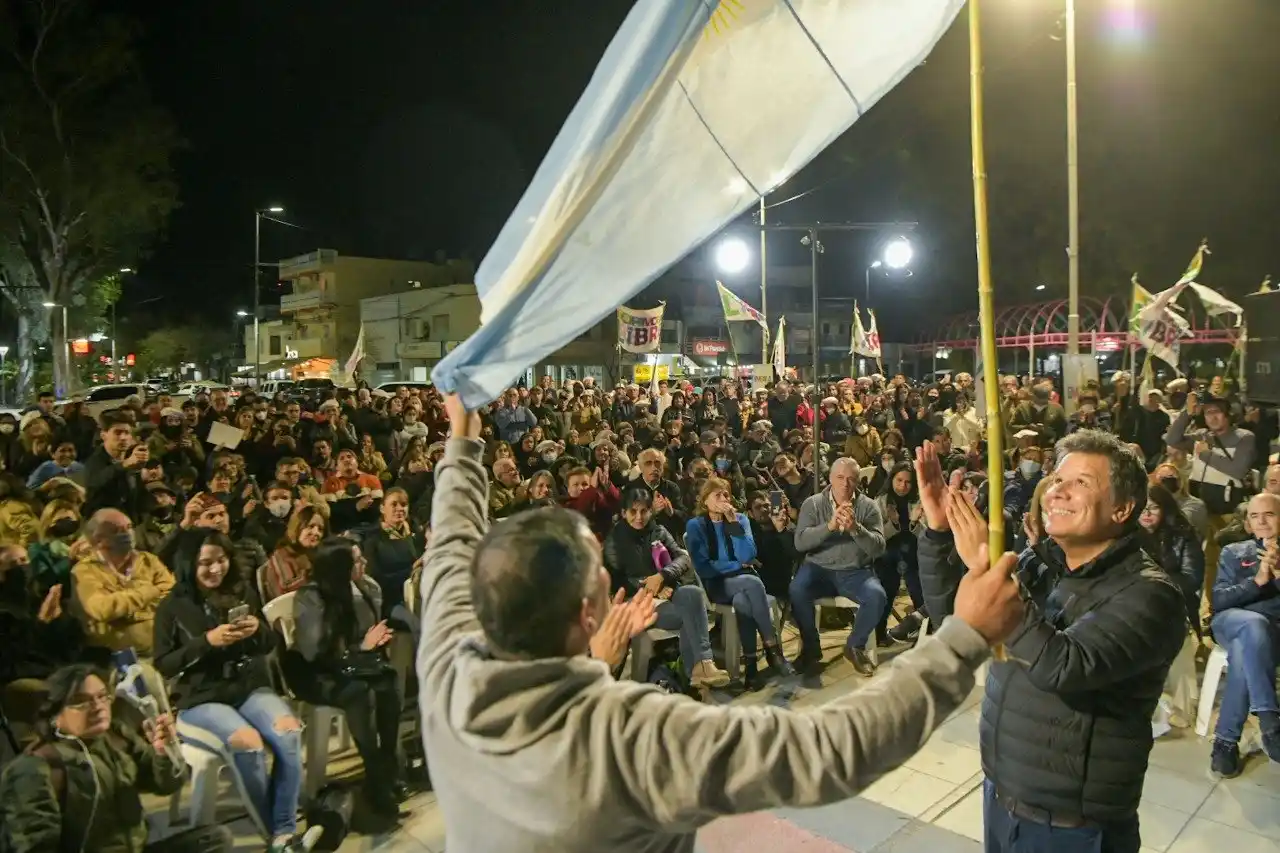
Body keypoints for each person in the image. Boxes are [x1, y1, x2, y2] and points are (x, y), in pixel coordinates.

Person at [414, 394, 1024, 852]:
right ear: (589, 610)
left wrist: (461, 444)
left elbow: (448, 550)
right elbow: (831, 749)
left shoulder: (446, 671)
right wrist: (963, 637)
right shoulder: (629, 739)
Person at [915, 430, 1186, 853]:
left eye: (1082, 482)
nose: (1058, 491)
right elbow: (954, 618)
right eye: (1057, 479)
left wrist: (992, 570)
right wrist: (936, 531)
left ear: (1123, 509)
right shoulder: (1042, 564)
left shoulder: (1149, 594)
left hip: (1071, 828)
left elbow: (1063, 666)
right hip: (1003, 797)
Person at [151, 531, 309, 851]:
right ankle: (278, 837)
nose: (215, 569)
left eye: (221, 560)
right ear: (189, 564)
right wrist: (205, 642)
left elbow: (268, 643)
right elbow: (164, 664)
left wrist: (257, 630)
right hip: (201, 697)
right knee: (247, 743)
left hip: (247, 686)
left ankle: (282, 832)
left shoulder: (242, 591)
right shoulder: (172, 606)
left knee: (289, 732)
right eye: (205, 563)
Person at [0, 663, 234, 853]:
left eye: (103, 697)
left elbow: (165, 785)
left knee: (214, 840)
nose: (98, 706)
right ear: (55, 715)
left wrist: (165, 753)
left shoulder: (116, 736)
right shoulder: (35, 769)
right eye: (82, 701)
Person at [287, 538, 402, 818]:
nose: (363, 563)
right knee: (358, 693)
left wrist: (375, 642)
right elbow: (316, 652)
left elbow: (367, 631)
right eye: (356, 561)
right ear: (339, 567)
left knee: (389, 683)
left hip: (354, 663)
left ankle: (387, 767)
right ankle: (375, 771)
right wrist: (362, 646)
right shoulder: (312, 597)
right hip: (317, 673)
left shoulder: (366, 587)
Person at [603, 487, 729, 689]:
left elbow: (683, 557)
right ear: (624, 513)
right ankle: (696, 671)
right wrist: (650, 586)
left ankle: (704, 664)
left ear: (651, 511)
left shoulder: (658, 531)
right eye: (633, 512)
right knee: (691, 615)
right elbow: (618, 581)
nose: (639, 517)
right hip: (638, 601)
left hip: (668, 590)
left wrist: (663, 577)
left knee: (693, 594)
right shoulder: (615, 540)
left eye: (644, 511)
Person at [685, 477, 792, 688]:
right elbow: (705, 567)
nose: (724, 498)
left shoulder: (740, 520)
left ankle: (751, 668)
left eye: (726, 494)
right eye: (718, 495)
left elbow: (747, 554)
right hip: (717, 584)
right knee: (752, 584)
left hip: (744, 581)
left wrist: (733, 524)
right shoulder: (696, 525)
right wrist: (736, 566)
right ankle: (773, 649)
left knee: (744, 600)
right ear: (705, 500)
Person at [790, 457, 888, 676]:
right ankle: (811, 649)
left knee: (877, 596)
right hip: (818, 569)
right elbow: (800, 542)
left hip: (855, 571)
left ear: (858, 482)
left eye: (851, 479)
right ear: (830, 479)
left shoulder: (869, 506)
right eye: (840, 478)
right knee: (797, 589)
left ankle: (855, 646)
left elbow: (879, 547)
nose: (845, 484)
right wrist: (830, 526)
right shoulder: (813, 504)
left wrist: (856, 529)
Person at [1206, 492, 1280, 777]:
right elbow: (1220, 600)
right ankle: (1269, 719)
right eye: (1254, 516)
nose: (1261, 521)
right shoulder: (1233, 552)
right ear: (1247, 523)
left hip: (1269, 632)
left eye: (1269, 514)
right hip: (1230, 621)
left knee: (1244, 651)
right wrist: (1258, 580)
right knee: (1252, 626)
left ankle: (1225, 743)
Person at [71, 509, 174, 655]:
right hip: (113, 658)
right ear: (99, 540)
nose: (128, 533)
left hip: (157, 651)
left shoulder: (148, 560)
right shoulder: (84, 570)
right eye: (117, 530)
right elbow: (103, 609)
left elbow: (173, 595)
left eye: (129, 527)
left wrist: (127, 612)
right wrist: (151, 590)